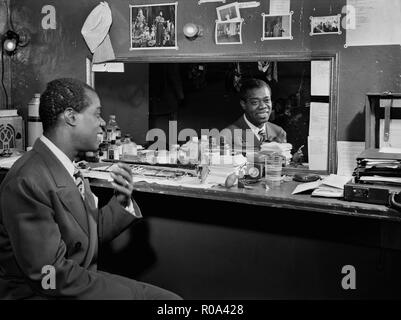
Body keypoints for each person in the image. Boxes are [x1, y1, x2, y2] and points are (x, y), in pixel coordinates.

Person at [0, 78, 181, 300]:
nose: (103, 122)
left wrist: (121, 202)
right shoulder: (27, 181)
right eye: (96, 114)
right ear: (71, 116)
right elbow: (48, 276)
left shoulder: (66, 166)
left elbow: (84, 235)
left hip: (73, 280)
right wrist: (126, 296)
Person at [221, 78, 286, 152]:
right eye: (255, 102)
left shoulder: (279, 132)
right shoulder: (228, 136)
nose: (263, 106)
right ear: (243, 104)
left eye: (266, 100)